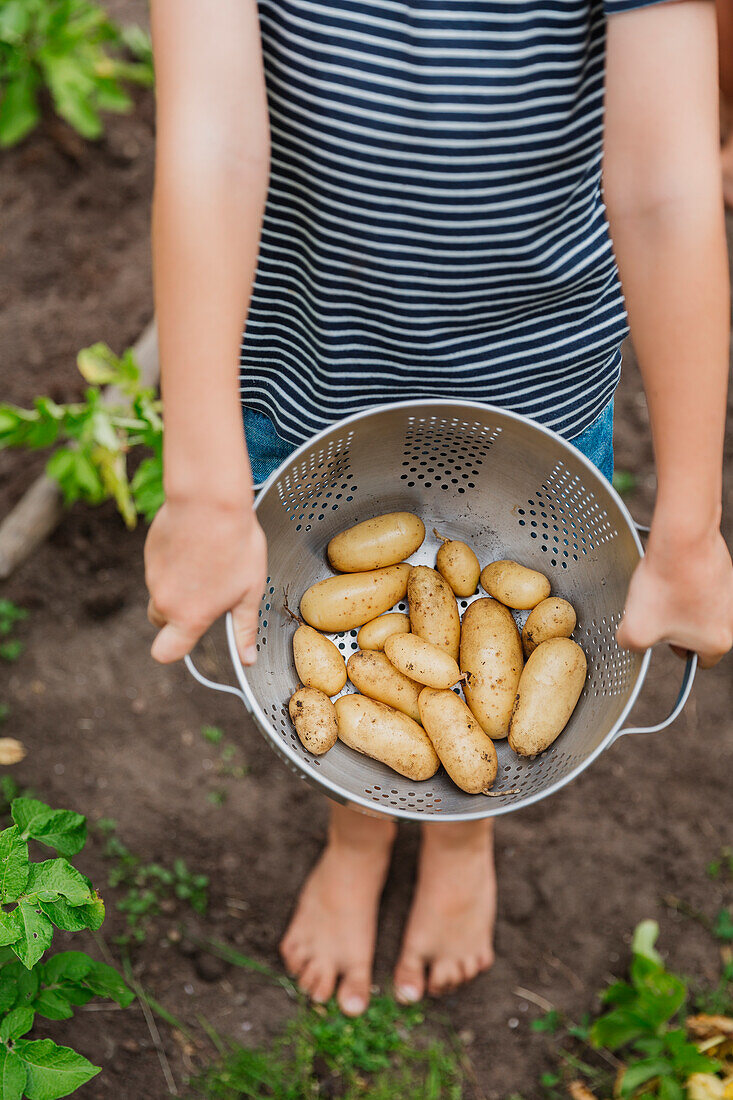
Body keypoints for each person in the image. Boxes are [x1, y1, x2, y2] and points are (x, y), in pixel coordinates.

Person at [145, 0, 733, 1017]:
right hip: (311, 357)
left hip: (536, 378)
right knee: (323, 644)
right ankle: (360, 826)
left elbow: (666, 188)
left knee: (459, 665)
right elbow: (210, 138)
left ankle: (462, 833)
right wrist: (201, 484)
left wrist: (685, 525)